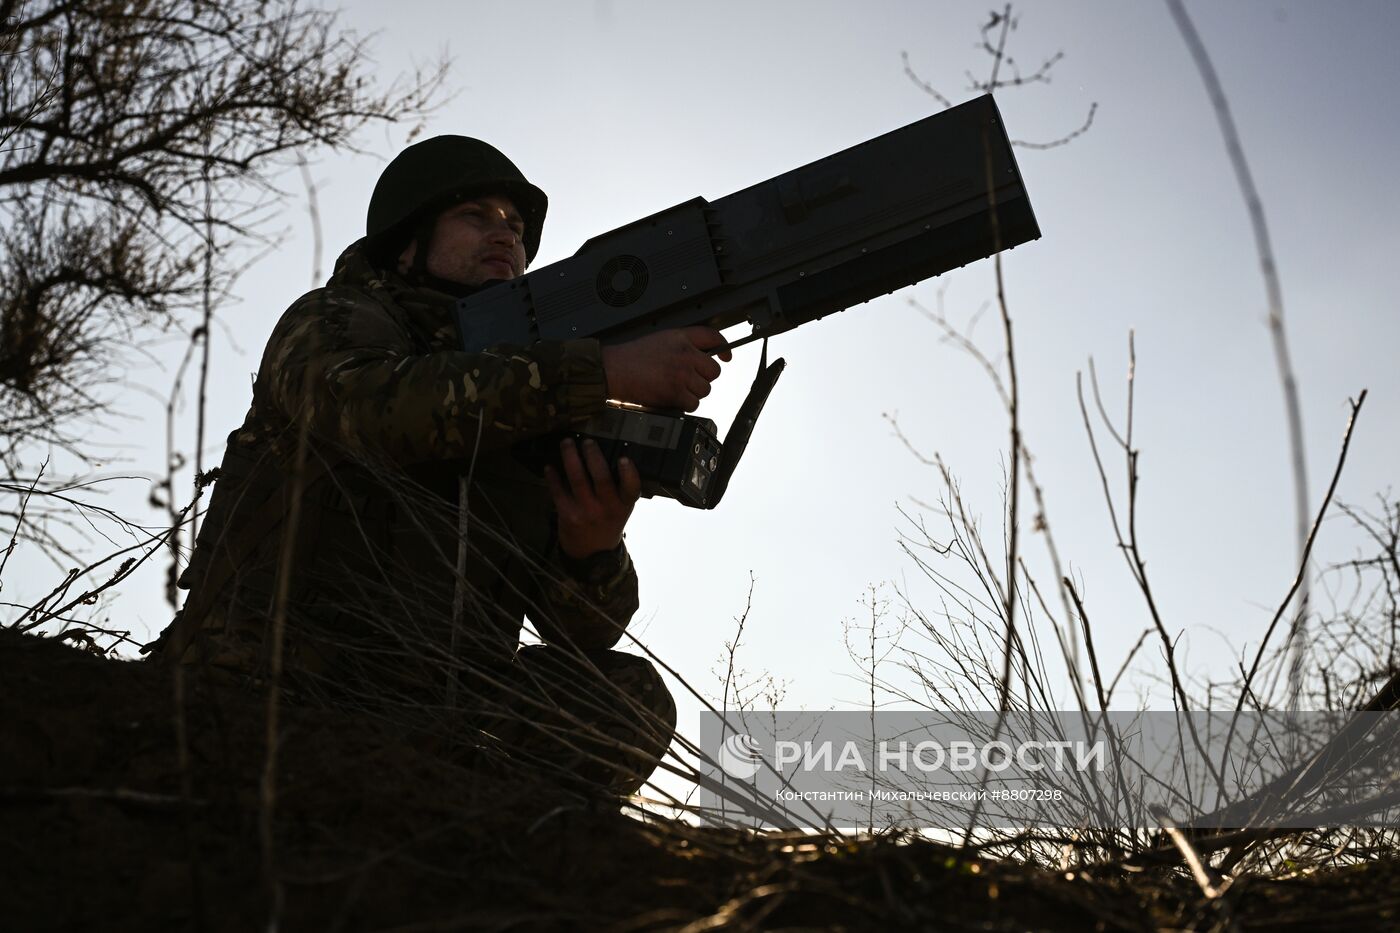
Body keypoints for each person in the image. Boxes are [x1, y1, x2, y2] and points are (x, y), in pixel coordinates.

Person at [150, 135, 730, 795]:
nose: (503, 235)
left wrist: (590, 548)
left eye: (515, 226)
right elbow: (375, 411)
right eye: (475, 215)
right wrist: (602, 370)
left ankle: (493, 865)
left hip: (429, 721)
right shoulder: (335, 318)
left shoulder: (527, 399)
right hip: (272, 686)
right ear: (407, 241)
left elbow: (582, 632)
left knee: (625, 697)